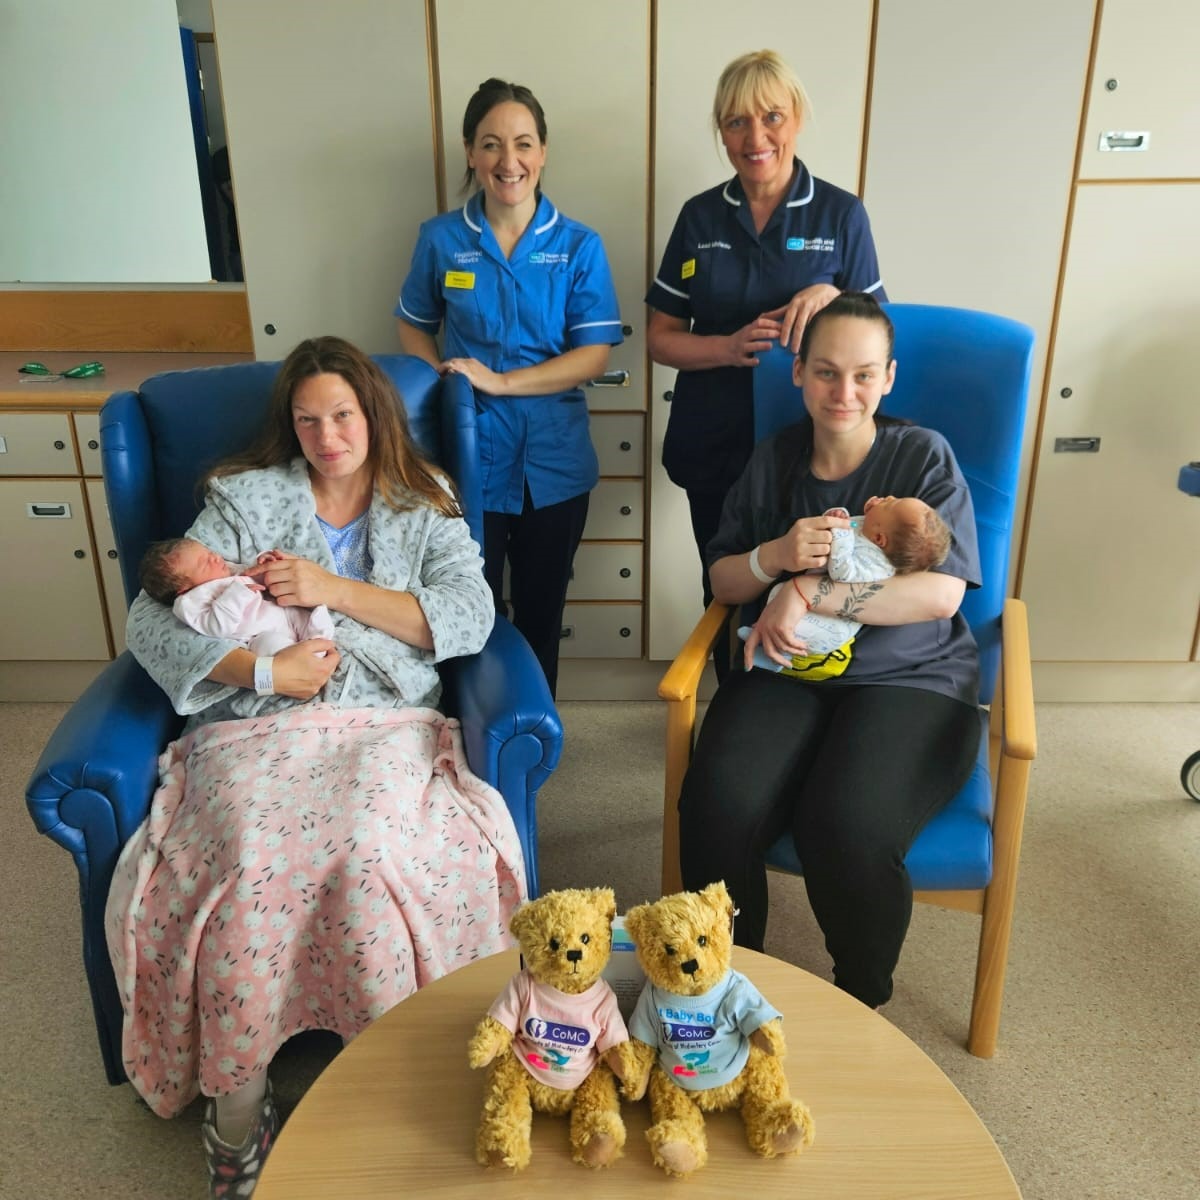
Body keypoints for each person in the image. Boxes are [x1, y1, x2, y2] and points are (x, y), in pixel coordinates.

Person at [106, 336, 527, 1199]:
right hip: (256, 727)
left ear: (374, 414)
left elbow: (468, 616)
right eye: (308, 420)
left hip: (382, 723)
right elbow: (152, 625)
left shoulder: (424, 501)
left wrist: (327, 590)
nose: (327, 435)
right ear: (289, 427)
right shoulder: (240, 498)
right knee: (250, 863)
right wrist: (263, 671)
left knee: (372, 855)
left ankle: (385, 1080)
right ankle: (239, 1100)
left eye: (342, 415)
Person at [678, 292, 981, 1011]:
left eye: (864, 374)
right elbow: (722, 578)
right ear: (798, 373)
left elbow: (940, 595)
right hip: (783, 670)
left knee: (845, 826)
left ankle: (861, 1000)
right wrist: (776, 556)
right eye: (825, 372)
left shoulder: (921, 456)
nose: (844, 393)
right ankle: (723, 987)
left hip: (910, 678)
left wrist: (808, 593)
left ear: (889, 377)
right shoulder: (773, 460)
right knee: (716, 806)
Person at [646, 49, 887, 678]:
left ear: (797, 118)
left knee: (810, 584)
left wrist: (837, 297)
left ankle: (801, 713)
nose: (755, 139)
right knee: (726, 584)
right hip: (713, 437)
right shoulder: (699, 217)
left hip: (809, 445)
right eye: (735, 123)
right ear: (721, 131)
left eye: (771, 117)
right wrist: (725, 347)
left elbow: (877, 338)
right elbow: (660, 338)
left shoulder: (840, 214)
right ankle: (733, 709)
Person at [395, 77, 624, 697]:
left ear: (543, 152)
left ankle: (531, 731)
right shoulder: (442, 240)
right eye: (491, 144)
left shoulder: (578, 246)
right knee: (467, 609)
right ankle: (471, 730)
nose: (508, 160)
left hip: (554, 460)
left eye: (523, 143)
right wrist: (438, 386)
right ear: (470, 152)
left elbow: (594, 355)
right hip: (466, 456)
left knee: (543, 613)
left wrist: (500, 380)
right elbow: (414, 326)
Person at [738, 496, 951, 675]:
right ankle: (762, 639)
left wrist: (841, 532)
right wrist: (837, 517)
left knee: (784, 613)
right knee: (778, 596)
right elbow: (846, 525)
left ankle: (774, 654)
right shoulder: (869, 529)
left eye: (889, 505)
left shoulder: (877, 564)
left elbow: (842, 571)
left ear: (879, 538)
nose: (888, 497)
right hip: (811, 601)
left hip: (829, 625)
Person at [138, 537, 337, 656]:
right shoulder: (191, 602)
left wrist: (267, 564)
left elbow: (250, 577)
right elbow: (216, 625)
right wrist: (237, 593)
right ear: (183, 589)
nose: (216, 557)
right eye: (205, 562)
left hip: (281, 614)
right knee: (269, 646)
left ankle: (319, 644)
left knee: (312, 613)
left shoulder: (225, 572)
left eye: (210, 552)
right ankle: (304, 657)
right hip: (258, 635)